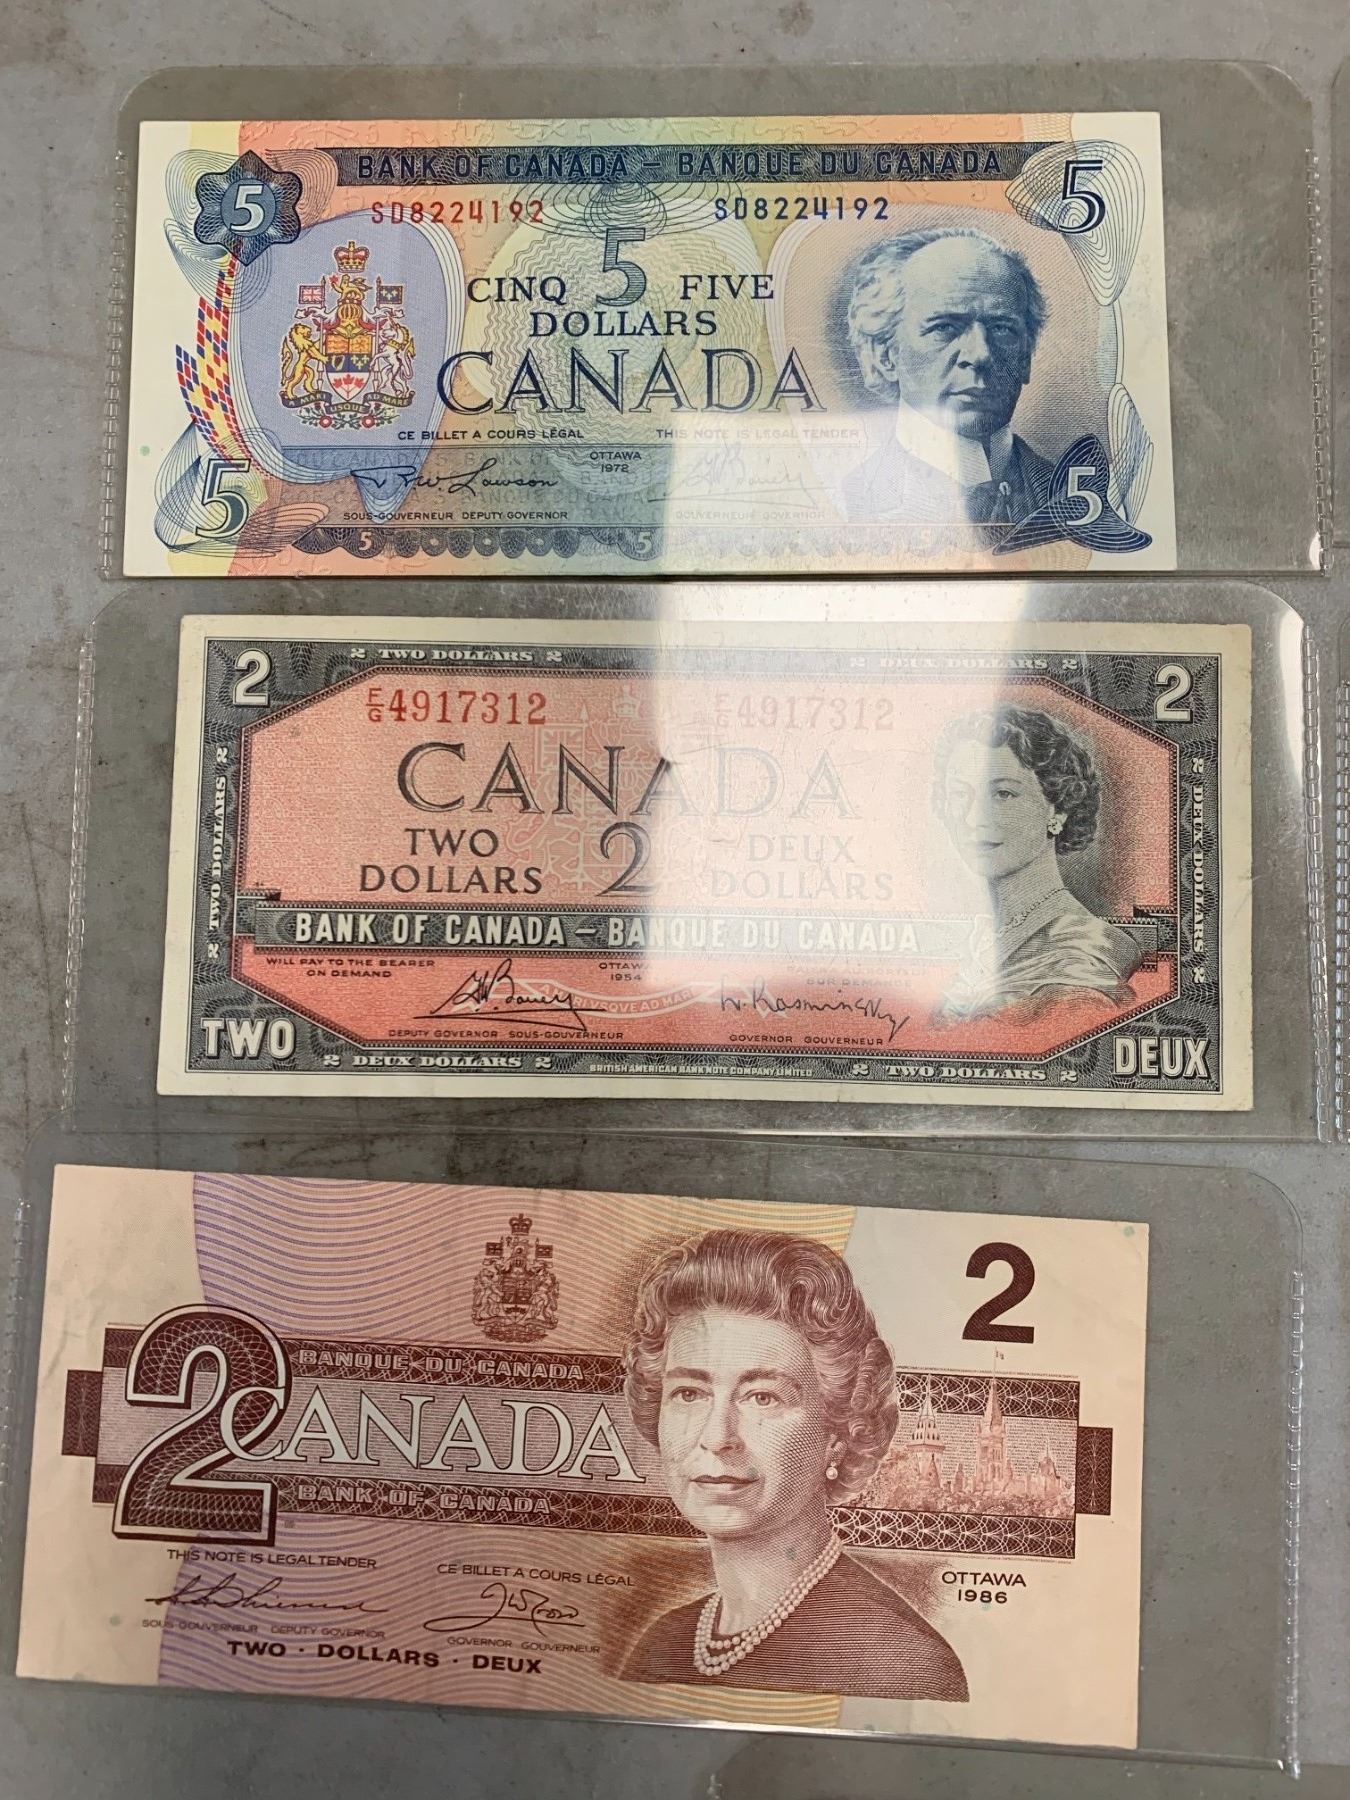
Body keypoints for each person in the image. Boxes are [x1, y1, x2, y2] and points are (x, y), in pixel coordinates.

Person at [617, 1229, 968, 1701]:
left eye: (763, 1397)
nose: (717, 1437)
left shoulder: (899, 1662)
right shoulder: (662, 1645)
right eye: (690, 1393)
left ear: (838, 1431)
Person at [933, 703, 1142, 1019]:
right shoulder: (980, 941)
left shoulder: (1077, 966)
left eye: (1003, 794)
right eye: (960, 794)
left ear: (1058, 809)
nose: (974, 818)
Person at [843, 227, 1054, 530]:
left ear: (1025, 358)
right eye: (944, 328)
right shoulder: (846, 498)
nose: (980, 354)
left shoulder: (1069, 493)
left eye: (1002, 329)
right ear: (885, 356)